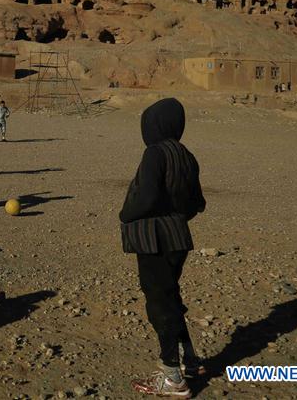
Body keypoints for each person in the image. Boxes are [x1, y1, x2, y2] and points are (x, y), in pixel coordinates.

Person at [120, 98, 206, 398]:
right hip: (177, 237)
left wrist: (125, 214)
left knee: (160, 304)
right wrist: (176, 218)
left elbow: (145, 197)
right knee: (170, 295)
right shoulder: (187, 155)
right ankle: (190, 359)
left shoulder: (154, 153)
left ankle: (173, 377)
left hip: (153, 239)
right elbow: (198, 203)